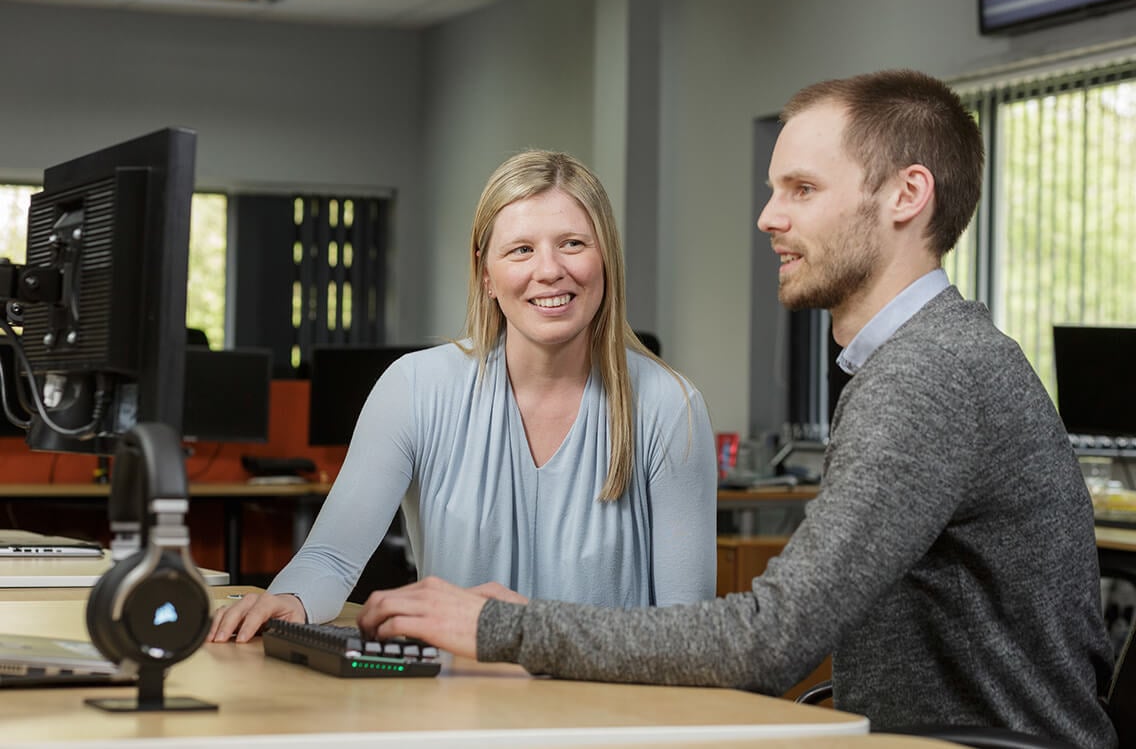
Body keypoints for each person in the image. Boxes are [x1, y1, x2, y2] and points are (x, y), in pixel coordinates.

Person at [356, 70, 1118, 748]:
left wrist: (496, 627)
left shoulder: (928, 376)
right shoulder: (929, 359)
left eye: (802, 189)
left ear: (907, 196)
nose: (768, 217)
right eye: (773, 188)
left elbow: (767, 642)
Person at [209, 149, 718, 643]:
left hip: (607, 717)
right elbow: (332, 559)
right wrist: (290, 599)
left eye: (573, 244)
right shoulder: (414, 388)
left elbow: (686, 632)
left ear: (606, 258)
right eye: (521, 249)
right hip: (458, 709)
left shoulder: (668, 406)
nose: (549, 270)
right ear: (486, 274)